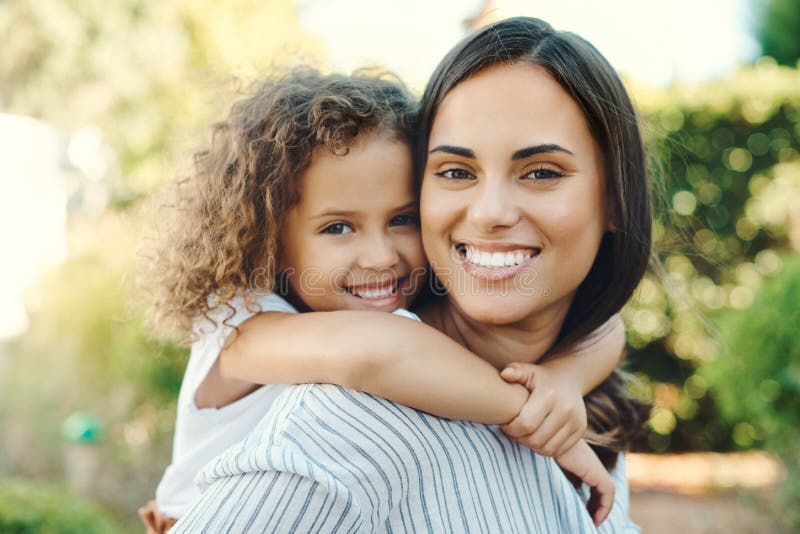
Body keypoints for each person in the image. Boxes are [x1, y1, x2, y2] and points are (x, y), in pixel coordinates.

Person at [170, 16, 651, 533]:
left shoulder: (576, 394)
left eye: (401, 219)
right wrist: (532, 412)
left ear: (616, 199)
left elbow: (607, 327)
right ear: (270, 241)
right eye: (457, 172)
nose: (380, 256)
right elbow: (378, 352)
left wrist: (565, 380)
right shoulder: (245, 330)